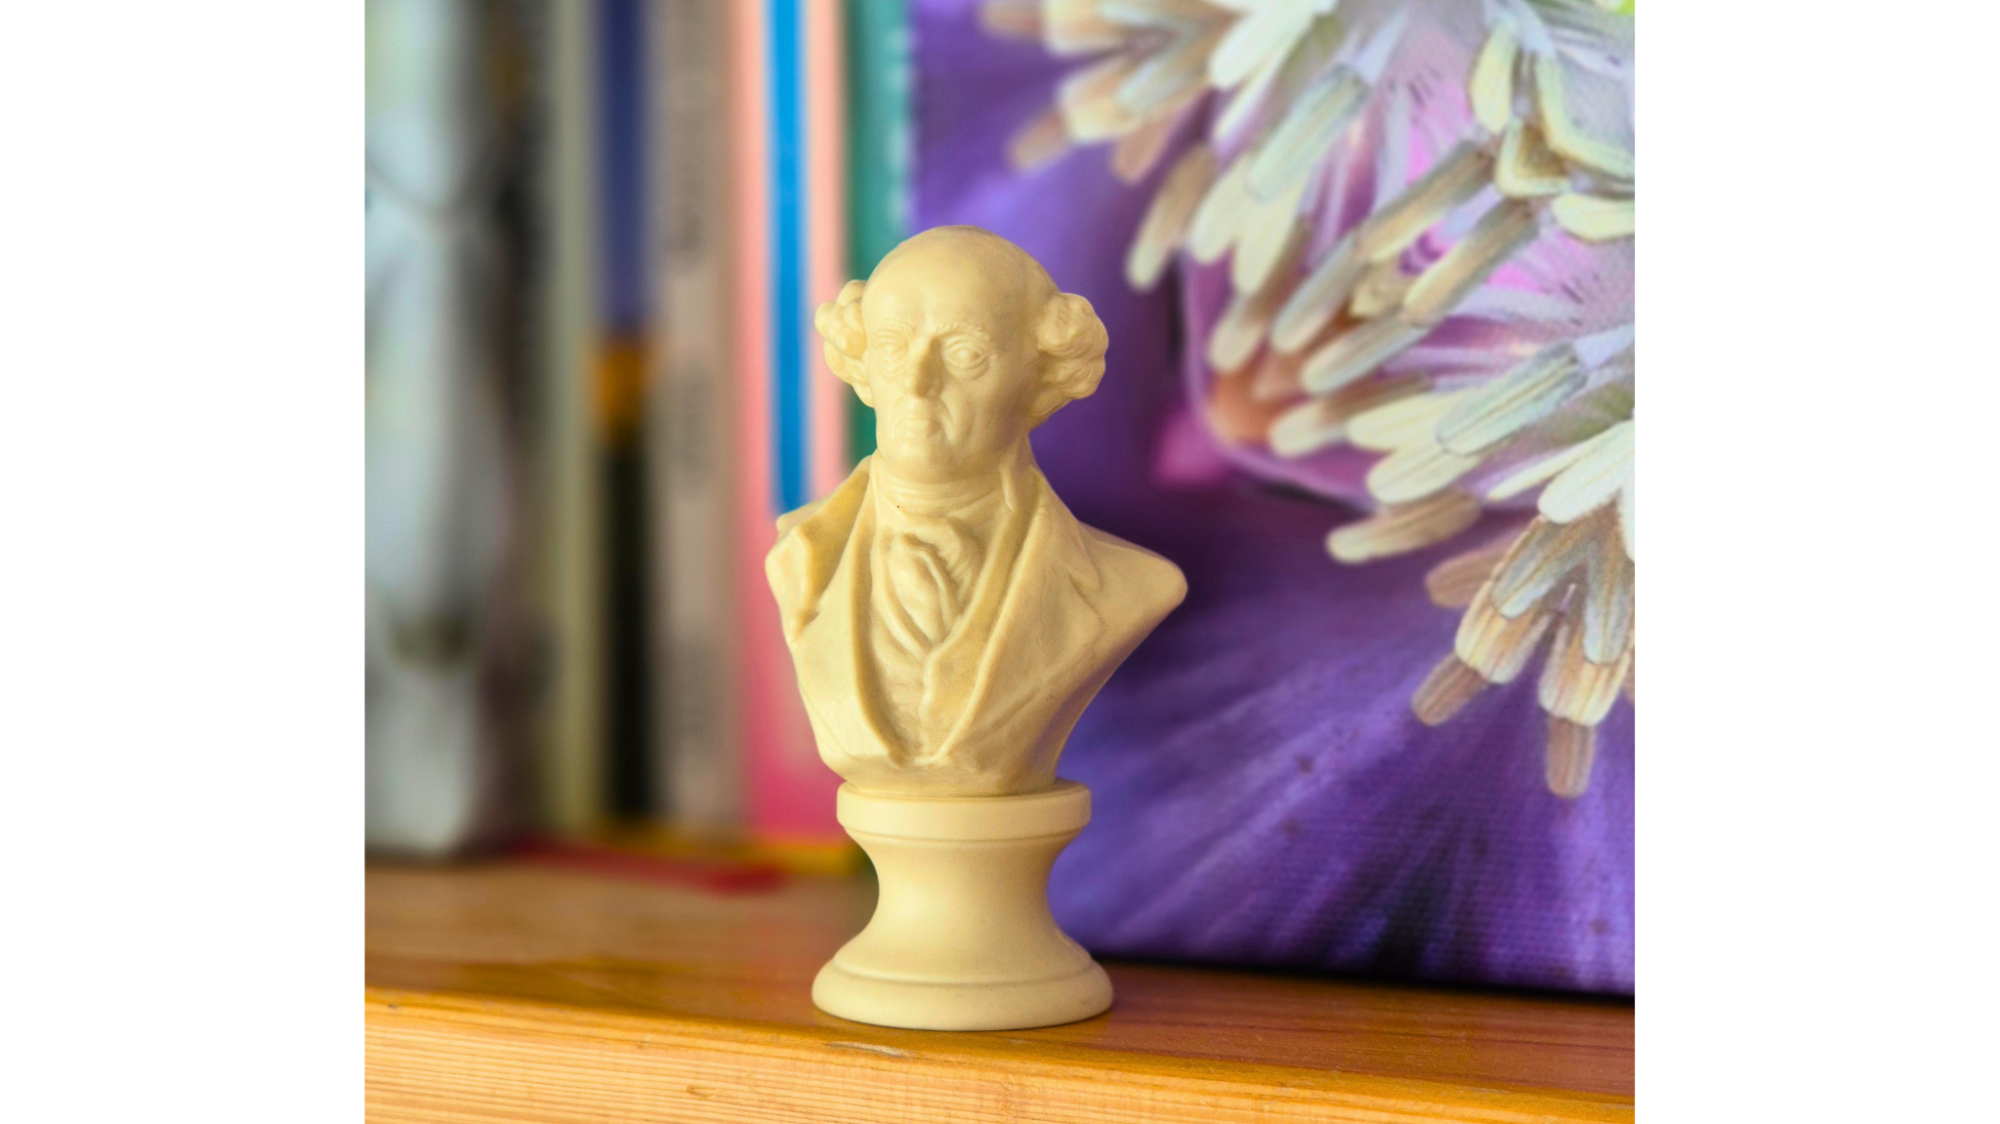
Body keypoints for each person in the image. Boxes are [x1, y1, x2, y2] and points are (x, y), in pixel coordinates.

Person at [767, 226, 1186, 796]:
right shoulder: (802, 558)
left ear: (1040, 379)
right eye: (891, 347)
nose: (918, 383)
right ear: (861, 365)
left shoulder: (1129, 585)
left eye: (965, 355)